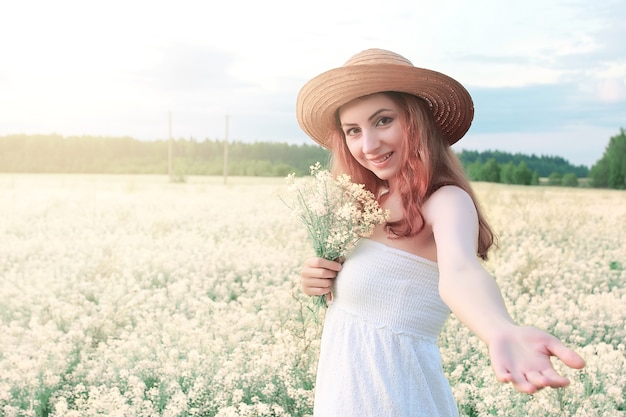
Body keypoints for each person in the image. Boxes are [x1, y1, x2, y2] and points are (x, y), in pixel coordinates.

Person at [295, 48, 585, 416]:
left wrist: (500, 330)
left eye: (383, 121)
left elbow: (460, 273)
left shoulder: (444, 200)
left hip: (395, 400)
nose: (368, 146)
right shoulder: (365, 204)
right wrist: (319, 279)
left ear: (416, 121)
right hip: (343, 397)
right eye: (354, 130)